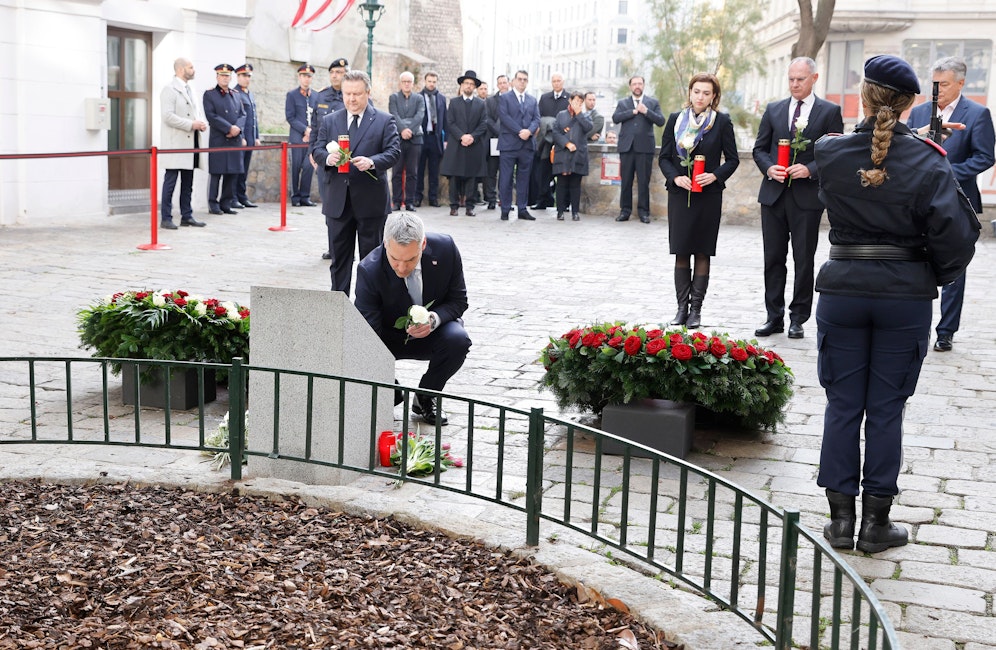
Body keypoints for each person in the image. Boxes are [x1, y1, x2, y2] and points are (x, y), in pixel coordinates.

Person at [813, 55, 979, 553]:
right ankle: (875, 524)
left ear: (863, 97)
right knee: (886, 409)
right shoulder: (931, 159)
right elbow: (959, 235)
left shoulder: (830, 153)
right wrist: (928, 273)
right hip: (903, 296)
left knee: (842, 405)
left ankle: (840, 522)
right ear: (910, 104)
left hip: (842, 289)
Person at [907, 56, 995, 352]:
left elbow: (985, 156)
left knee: (955, 268)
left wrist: (947, 173)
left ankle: (946, 331)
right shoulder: (918, 113)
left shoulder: (979, 114)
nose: (938, 90)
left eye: (944, 84)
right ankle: (913, 323)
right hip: (919, 202)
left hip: (960, 201)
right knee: (916, 261)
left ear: (961, 83)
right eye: (934, 84)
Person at [752, 57, 843, 339]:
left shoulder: (830, 111)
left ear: (814, 78)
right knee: (773, 258)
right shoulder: (774, 109)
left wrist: (810, 169)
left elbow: (836, 152)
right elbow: (759, 149)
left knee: (803, 260)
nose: (794, 84)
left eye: (800, 79)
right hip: (774, 195)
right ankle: (773, 316)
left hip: (807, 198)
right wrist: (769, 168)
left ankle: (798, 318)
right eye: (791, 79)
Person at [355, 212, 471, 427]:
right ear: (385, 244)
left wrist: (434, 319)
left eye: (410, 259)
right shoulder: (368, 270)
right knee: (358, 345)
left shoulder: (446, 249)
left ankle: (426, 396)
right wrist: (387, 383)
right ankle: (392, 392)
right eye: (394, 259)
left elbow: (459, 301)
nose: (402, 268)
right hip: (388, 337)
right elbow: (366, 333)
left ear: (423, 244)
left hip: (434, 333)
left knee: (458, 340)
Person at [658, 73, 740, 328]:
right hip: (681, 195)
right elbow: (664, 158)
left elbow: (733, 159)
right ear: (690, 93)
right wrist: (675, 178)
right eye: (696, 92)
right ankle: (681, 309)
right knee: (681, 251)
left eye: (706, 93)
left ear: (714, 96)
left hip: (708, 196)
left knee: (703, 252)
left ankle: (696, 310)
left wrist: (714, 176)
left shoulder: (722, 122)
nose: (700, 97)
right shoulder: (676, 119)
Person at [311, 70, 400, 296]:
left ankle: (369, 306)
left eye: (357, 94)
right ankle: (337, 305)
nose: (351, 99)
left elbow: (394, 153)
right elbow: (317, 149)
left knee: (372, 261)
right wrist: (326, 158)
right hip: (338, 203)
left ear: (368, 93)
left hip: (370, 202)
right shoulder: (330, 120)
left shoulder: (383, 120)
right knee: (339, 259)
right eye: (347, 94)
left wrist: (372, 161)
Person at [159, 57, 208, 230]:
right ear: (180, 69)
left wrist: (201, 123)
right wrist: (190, 125)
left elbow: (196, 112)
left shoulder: (190, 89)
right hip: (175, 144)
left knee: (188, 182)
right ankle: (166, 217)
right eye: (190, 67)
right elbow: (167, 116)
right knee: (171, 181)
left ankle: (187, 216)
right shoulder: (169, 90)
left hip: (191, 142)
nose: (193, 70)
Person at [613, 76, 666, 224]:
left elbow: (661, 121)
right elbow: (616, 118)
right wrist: (633, 112)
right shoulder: (623, 103)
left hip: (644, 148)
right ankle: (625, 211)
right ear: (630, 86)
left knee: (643, 181)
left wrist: (646, 111)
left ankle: (644, 212)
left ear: (643, 85)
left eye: (640, 83)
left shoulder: (652, 102)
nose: (637, 86)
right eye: (634, 84)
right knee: (626, 181)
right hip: (627, 147)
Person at [312, 58, 349, 260]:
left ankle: (346, 248)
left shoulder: (352, 96)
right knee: (330, 208)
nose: (336, 75)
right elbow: (315, 130)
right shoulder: (321, 95)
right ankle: (333, 248)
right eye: (333, 72)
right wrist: (313, 153)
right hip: (327, 162)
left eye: (340, 72)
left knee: (348, 207)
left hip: (347, 162)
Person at [440, 70, 488, 217]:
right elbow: (450, 122)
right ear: (461, 85)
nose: (468, 86)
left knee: (472, 177)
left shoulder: (480, 104)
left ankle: (469, 206)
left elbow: (484, 123)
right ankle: (453, 206)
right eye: (466, 83)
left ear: (474, 87)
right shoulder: (454, 102)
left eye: (471, 84)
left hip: (474, 145)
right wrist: (461, 136)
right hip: (457, 144)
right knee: (454, 177)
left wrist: (472, 136)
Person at [203, 63, 245, 216]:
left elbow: (243, 114)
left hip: (234, 139)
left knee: (232, 173)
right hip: (219, 138)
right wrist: (228, 128)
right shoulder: (210, 94)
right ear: (217, 77)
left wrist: (238, 128)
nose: (225, 78)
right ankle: (213, 204)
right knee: (216, 173)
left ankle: (226, 203)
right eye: (222, 75)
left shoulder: (236, 94)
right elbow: (211, 116)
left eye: (227, 75)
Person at [497, 70, 540, 221]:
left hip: (527, 145)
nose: (522, 82)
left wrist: (529, 131)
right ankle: (505, 209)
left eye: (525, 80)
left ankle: (522, 208)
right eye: (520, 79)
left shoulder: (532, 100)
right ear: (513, 81)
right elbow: (504, 117)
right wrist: (520, 131)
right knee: (506, 178)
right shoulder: (505, 98)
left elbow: (536, 118)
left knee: (524, 178)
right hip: (509, 144)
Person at [551, 91, 592, 222]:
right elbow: (555, 133)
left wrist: (579, 113)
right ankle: (560, 211)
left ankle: (575, 211)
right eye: (576, 101)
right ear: (570, 101)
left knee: (575, 184)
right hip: (563, 153)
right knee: (562, 184)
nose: (578, 104)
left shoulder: (585, 116)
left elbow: (588, 128)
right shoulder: (561, 115)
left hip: (578, 155)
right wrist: (566, 143)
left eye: (581, 102)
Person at [389, 71, 425, 212]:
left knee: (412, 172)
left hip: (415, 138)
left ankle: (409, 201)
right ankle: (396, 201)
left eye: (409, 81)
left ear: (413, 83)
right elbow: (393, 114)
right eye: (404, 81)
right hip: (398, 139)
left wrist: (409, 129)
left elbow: (420, 115)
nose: (406, 84)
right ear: (400, 83)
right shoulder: (394, 98)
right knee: (396, 171)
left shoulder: (419, 98)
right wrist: (403, 129)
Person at [532, 73, 569, 209]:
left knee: (563, 173)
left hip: (563, 140)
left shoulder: (569, 98)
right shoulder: (544, 98)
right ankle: (543, 200)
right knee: (543, 172)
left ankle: (564, 203)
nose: (556, 83)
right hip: (546, 142)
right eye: (554, 81)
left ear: (563, 82)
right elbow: (538, 116)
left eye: (559, 80)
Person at [286, 63, 318, 207]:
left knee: (308, 166)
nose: (307, 79)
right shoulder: (292, 95)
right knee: (296, 167)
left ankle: (305, 196)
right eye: (304, 76)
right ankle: (295, 197)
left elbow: (318, 116)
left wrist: (312, 131)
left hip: (311, 138)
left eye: (309, 76)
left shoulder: (316, 96)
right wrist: (305, 130)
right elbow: (290, 117)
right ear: (299, 77)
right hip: (297, 137)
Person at [416, 72, 446, 208]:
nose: (431, 84)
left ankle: (433, 198)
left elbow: (445, 119)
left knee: (434, 170)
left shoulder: (441, 98)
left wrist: (446, 139)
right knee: (419, 169)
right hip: (422, 136)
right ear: (425, 81)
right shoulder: (418, 97)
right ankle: (418, 197)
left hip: (435, 137)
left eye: (434, 81)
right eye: (429, 81)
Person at [233, 63, 260, 209]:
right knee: (238, 169)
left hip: (250, 138)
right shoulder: (235, 93)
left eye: (249, 76)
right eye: (244, 75)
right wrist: (242, 136)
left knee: (245, 170)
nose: (247, 78)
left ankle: (242, 197)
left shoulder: (249, 93)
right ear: (238, 77)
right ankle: (234, 197)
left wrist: (257, 136)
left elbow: (254, 118)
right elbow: (238, 117)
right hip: (241, 139)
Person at [482, 74, 509, 210]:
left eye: (505, 82)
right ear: (497, 85)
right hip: (494, 139)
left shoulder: (513, 99)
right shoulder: (491, 100)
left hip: (510, 141)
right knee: (492, 171)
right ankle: (491, 199)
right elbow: (488, 119)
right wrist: (500, 131)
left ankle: (505, 200)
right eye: (500, 83)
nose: (503, 85)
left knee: (507, 172)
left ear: (508, 84)